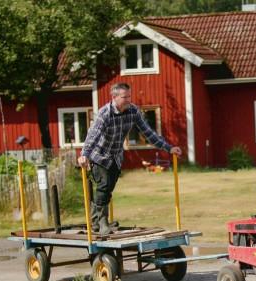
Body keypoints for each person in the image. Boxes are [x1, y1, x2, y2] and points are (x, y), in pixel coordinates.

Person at [78, 82, 182, 235]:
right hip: (99, 155)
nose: (128, 99)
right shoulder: (104, 113)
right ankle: (101, 222)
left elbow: (148, 133)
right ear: (114, 97)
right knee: (104, 186)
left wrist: (168, 147)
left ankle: (95, 222)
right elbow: (93, 135)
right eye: (124, 97)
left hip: (116, 156)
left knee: (108, 190)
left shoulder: (133, 111)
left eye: (129, 96)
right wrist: (84, 154)